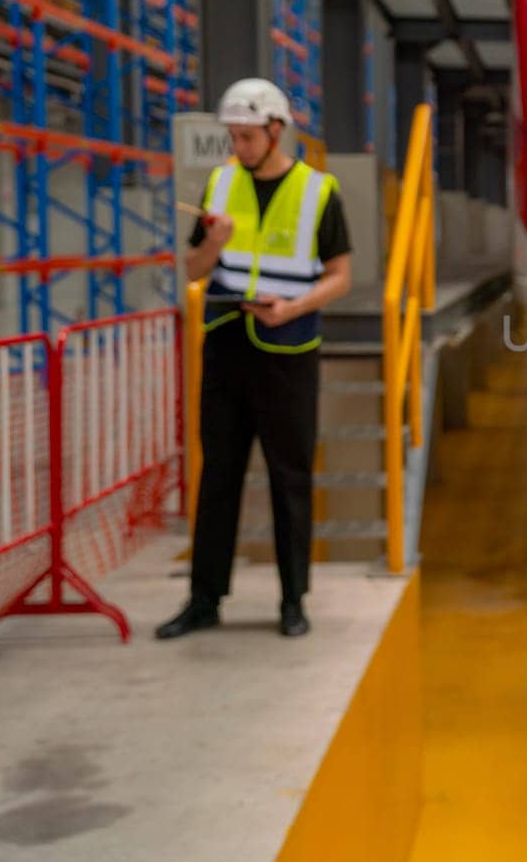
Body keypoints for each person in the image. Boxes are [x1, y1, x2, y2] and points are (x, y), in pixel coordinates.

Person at [157, 78, 353, 640]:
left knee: (289, 476)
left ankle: (293, 600)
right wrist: (213, 244)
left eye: (246, 137)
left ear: (275, 131)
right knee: (218, 474)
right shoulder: (219, 186)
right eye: (233, 137)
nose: (237, 148)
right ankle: (204, 599)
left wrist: (294, 307)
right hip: (226, 346)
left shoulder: (319, 192)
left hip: (288, 352)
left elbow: (340, 276)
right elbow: (193, 270)